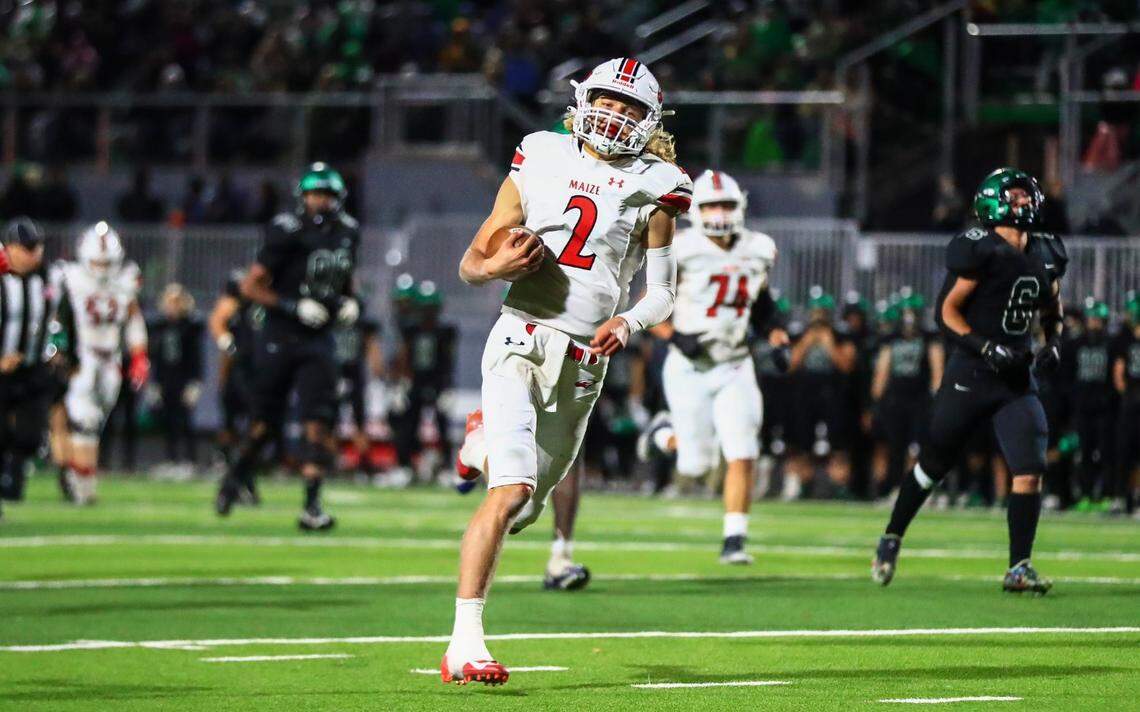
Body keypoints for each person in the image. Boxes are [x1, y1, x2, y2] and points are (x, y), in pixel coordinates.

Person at [444, 58, 691, 685]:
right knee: (509, 495)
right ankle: (464, 642)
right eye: (607, 101)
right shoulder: (541, 155)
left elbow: (662, 295)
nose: (615, 115)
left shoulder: (657, 186)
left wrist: (629, 323)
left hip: (584, 361)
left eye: (630, 108)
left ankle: (476, 444)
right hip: (520, 338)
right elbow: (473, 260)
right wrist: (497, 268)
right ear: (583, 102)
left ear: (648, 120)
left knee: (525, 508)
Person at [872, 167, 1068, 595]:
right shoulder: (978, 249)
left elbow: (1053, 305)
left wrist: (1053, 342)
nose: (1023, 203)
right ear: (993, 201)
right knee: (933, 464)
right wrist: (984, 347)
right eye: (1014, 197)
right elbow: (947, 311)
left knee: (1030, 467)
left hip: (1015, 376)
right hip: (973, 373)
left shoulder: (1048, 251)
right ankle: (892, 535)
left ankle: (1019, 565)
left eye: (1025, 196)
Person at [643, 169, 788, 564]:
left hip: (735, 363)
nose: (720, 212)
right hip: (689, 365)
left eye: (726, 204)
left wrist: (775, 333)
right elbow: (649, 302)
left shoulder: (759, 247)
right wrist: (674, 335)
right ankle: (662, 434)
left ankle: (735, 538)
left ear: (740, 206)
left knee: (743, 448)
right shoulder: (680, 247)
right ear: (696, 209)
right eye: (711, 205)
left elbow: (760, 302)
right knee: (695, 464)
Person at [213, 163, 360, 531]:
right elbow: (251, 286)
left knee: (318, 421)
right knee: (265, 424)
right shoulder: (286, 230)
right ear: (303, 197)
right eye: (315, 194)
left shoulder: (348, 231)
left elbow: (344, 279)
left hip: (318, 338)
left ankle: (312, 505)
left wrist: (349, 303)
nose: (321, 201)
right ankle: (236, 475)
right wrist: (292, 306)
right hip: (280, 336)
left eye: (327, 194)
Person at [58, 222, 150, 504]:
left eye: (107, 261)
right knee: (84, 421)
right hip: (83, 353)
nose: (102, 267)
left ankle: (78, 478)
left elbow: (133, 318)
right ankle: (81, 485)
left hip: (111, 357)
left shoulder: (126, 278)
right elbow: (58, 318)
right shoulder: (70, 277)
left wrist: (138, 356)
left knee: (96, 423)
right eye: (97, 261)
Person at [0, 218, 68, 513]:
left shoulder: (50, 277)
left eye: (36, 247)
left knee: (31, 436)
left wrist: (60, 348)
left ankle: (13, 474)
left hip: (33, 369)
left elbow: (64, 317)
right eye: (26, 248)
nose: (34, 253)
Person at [869, 292, 944, 497]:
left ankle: (916, 491)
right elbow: (882, 372)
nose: (909, 319)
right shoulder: (891, 339)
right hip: (895, 400)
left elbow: (937, 372)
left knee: (916, 448)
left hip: (919, 399)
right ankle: (895, 488)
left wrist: (935, 400)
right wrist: (876, 401)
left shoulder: (930, 338)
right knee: (895, 447)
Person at [1062, 299, 1116, 511]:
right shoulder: (1076, 344)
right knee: (1084, 453)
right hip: (1083, 407)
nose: (1094, 323)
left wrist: (1108, 398)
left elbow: (1115, 376)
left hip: (1104, 408)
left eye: (1097, 319)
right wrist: (1075, 399)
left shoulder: (1110, 344)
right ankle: (1084, 494)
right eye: (1091, 318)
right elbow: (1067, 375)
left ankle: (1105, 494)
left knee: (1105, 452)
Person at [149, 283, 204, 467]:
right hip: (165, 378)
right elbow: (156, 357)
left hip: (185, 378)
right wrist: (154, 383)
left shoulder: (191, 326)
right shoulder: (159, 326)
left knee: (185, 419)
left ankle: (190, 459)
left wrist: (196, 382)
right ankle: (171, 459)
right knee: (168, 420)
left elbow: (196, 357)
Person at [1111, 293, 1140, 514]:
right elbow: (1118, 372)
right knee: (1124, 451)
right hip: (1131, 399)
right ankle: (1123, 497)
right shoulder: (1124, 337)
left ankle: (1136, 497)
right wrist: (1126, 394)